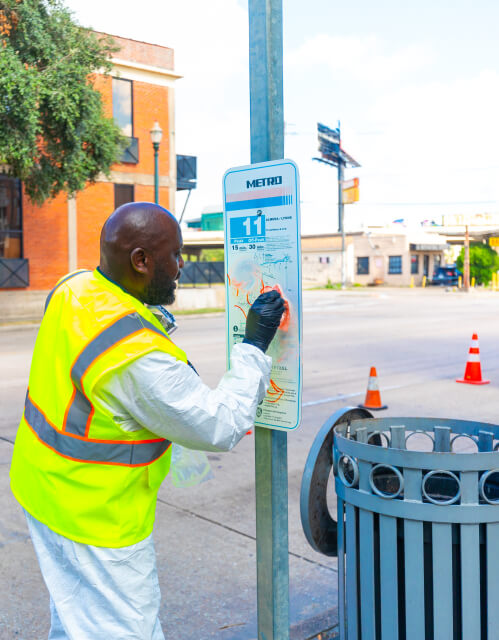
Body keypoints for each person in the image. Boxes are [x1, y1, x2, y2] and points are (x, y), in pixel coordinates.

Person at [9, 202, 285, 640]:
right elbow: (219, 425)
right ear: (140, 261)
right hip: (97, 521)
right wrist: (254, 345)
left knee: (74, 621)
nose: (180, 266)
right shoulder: (139, 358)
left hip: (42, 492)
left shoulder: (73, 288)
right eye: (174, 255)